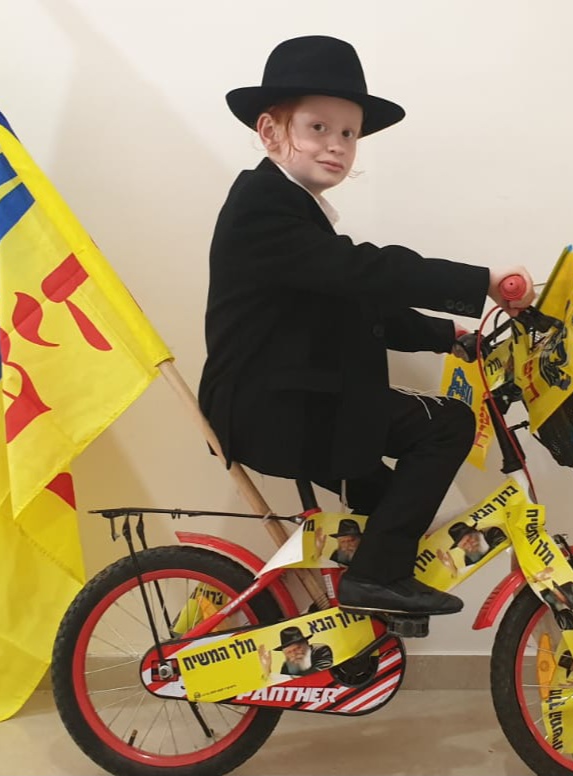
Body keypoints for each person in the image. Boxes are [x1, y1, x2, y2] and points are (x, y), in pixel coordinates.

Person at [198, 35, 534, 618]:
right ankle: (376, 579)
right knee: (448, 425)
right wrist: (481, 280)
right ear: (270, 131)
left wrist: (449, 337)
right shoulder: (264, 207)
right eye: (318, 128)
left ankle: (362, 622)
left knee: (389, 502)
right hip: (275, 405)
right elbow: (367, 272)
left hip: (286, 399)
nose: (337, 145)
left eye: (349, 134)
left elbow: (354, 301)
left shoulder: (290, 209)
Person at [259, 626, 334, 678]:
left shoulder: (321, 650)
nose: (294, 654)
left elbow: (319, 675)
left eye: (297, 648)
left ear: (306, 644)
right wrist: (267, 670)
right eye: (289, 652)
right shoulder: (287, 665)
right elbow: (284, 686)